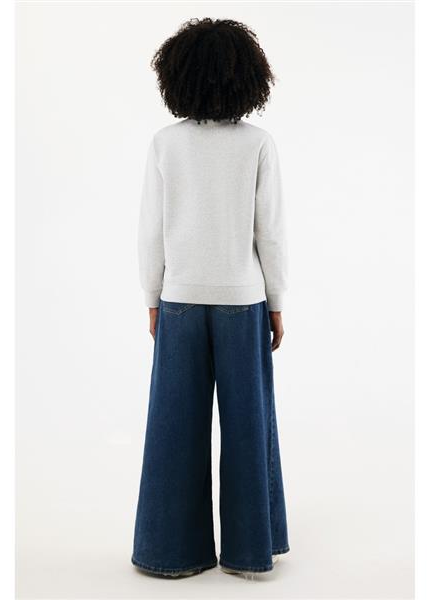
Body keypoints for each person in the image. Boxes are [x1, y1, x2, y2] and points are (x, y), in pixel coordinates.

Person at [132, 18, 289, 578]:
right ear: (249, 77)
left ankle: (168, 554)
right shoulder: (258, 144)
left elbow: (151, 230)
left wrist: (153, 295)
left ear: (178, 76)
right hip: (243, 301)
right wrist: (276, 301)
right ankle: (249, 553)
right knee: (249, 426)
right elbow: (270, 232)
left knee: (173, 427)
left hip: (179, 299)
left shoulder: (166, 143)